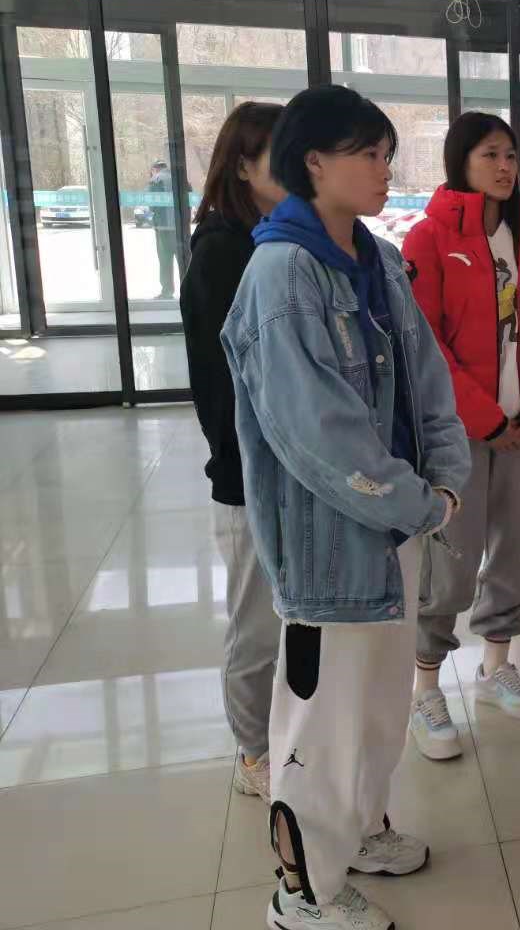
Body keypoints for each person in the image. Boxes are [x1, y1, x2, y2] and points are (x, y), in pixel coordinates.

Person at [222, 85, 471, 930]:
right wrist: (417, 500)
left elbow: (428, 381)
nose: (384, 169)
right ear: (314, 163)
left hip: (399, 524)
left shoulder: (377, 259)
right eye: (367, 153)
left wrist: (442, 483)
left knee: (375, 709)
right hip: (331, 543)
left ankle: (359, 833)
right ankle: (302, 894)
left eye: (385, 153)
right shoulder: (280, 275)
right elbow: (316, 434)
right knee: (322, 725)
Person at [401, 112, 520, 755]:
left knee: (515, 550)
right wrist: (489, 420)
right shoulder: (429, 238)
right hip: (460, 434)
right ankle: (425, 688)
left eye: (509, 155)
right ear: (460, 162)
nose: (505, 167)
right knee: (451, 558)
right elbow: (425, 344)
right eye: (489, 155)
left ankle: (496, 665)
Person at [179, 102, 286, 802]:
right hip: (249, 476)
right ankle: (252, 751)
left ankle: (286, 736)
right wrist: (243, 464)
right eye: (283, 154)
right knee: (257, 625)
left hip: (300, 470)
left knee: (293, 621)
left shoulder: (286, 240)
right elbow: (219, 386)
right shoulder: (223, 250)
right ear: (243, 166)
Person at [149, 159, 180, 299]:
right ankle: (190, 291)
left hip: (163, 228)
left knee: (165, 260)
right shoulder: (179, 178)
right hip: (179, 228)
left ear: (155, 169)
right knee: (184, 260)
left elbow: (152, 205)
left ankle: (167, 291)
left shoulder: (155, 180)